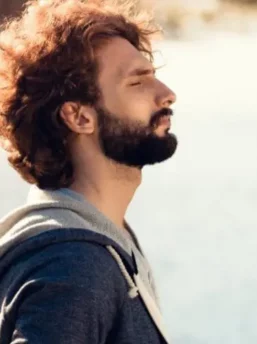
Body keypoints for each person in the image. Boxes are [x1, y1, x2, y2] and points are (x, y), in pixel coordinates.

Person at [0, 0, 178, 343]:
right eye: (137, 83)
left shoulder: (107, 240)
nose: (168, 95)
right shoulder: (73, 264)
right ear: (79, 117)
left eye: (153, 76)